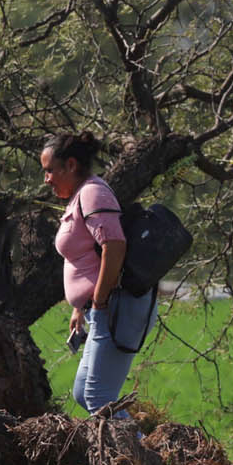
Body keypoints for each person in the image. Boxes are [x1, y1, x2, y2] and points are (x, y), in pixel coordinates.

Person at [42, 132, 157, 415]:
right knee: (84, 393)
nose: (46, 179)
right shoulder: (80, 196)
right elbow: (89, 255)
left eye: (49, 170)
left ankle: (138, 446)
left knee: (98, 397)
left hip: (116, 306)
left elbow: (114, 246)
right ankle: (131, 441)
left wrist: (99, 301)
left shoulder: (93, 193)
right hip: (103, 308)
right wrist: (81, 308)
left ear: (70, 165)